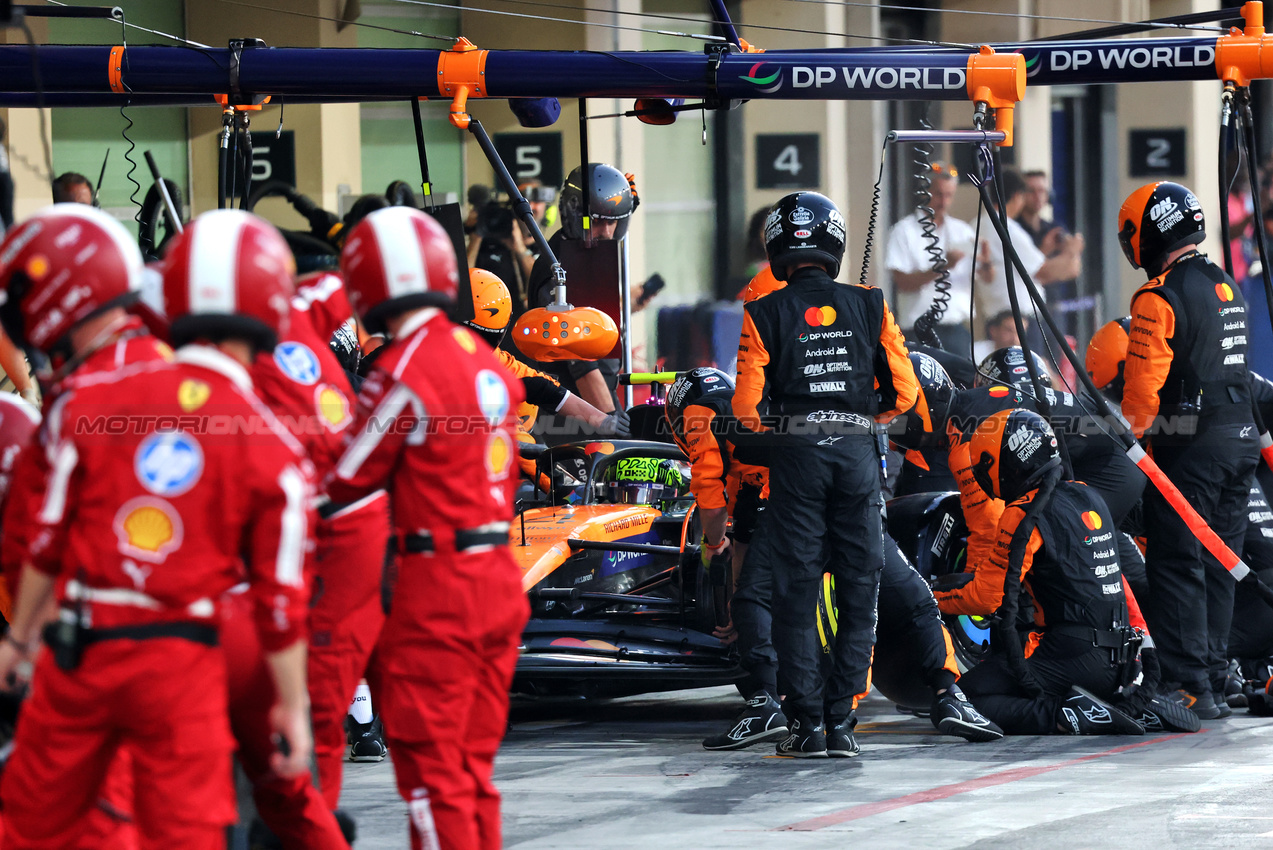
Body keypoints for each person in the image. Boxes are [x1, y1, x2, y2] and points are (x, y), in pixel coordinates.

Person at [0, 205, 314, 847]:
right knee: (186, 832)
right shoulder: (273, 443)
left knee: (28, 823)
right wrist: (294, 705)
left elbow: (45, 539)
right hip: (184, 659)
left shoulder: (88, 401)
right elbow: (282, 596)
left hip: (81, 648)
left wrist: (21, 641)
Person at [328, 206, 527, 850]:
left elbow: (345, 478)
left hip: (436, 587)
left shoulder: (401, 371)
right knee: (472, 772)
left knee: (430, 774)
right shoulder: (484, 358)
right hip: (498, 577)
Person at [734, 191, 917, 757]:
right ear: (833, 243)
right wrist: (861, 420)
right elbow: (905, 393)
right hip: (859, 456)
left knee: (795, 592)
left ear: (776, 248)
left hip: (796, 458)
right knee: (861, 588)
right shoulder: (870, 304)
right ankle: (842, 726)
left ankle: (806, 726)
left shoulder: (762, 312)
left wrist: (789, 432)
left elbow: (745, 412)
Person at [1119, 180, 1258, 719]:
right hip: (1240, 440)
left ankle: (1188, 685)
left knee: (1179, 561)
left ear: (1150, 232)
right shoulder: (1227, 285)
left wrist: (1127, 436)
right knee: (1220, 562)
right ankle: (1217, 681)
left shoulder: (1159, 296)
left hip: (1189, 450)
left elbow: (1142, 395)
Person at [955, 408, 1148, 736]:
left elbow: (989, 597)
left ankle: (1064, 714)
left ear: (1010, 461)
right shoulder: (1089, 494)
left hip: (1073, 654)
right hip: (1121, 659)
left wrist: (934, 595)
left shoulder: (1024, 513)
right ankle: (1115, 702)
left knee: (965, 698)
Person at [463, 269, 628, 454]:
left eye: (485, 338)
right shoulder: (433, 363)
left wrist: (601, 419)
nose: (473, 346)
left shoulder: (494, 360)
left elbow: (541, 387)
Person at [524, 163, 639, 413]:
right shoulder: (560, 268)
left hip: (597, 398)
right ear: (575, 215)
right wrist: (609, 421)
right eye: (598, 221)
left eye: (614, 222)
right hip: (574, 411)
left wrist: (625, 204)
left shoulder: (584, 253)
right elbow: (583, 366)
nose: (607, 232)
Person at [976, 169, 1083, 342]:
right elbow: (1045, 272)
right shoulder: (1005, 227)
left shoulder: (980, 223)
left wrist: (1044, 251)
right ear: (1018, 196)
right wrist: (1073, 249)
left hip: (1000, 318)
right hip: (1017, 320)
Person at [884, 162, 977, 354]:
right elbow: (902, 282)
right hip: (919, 330)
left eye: (949, 195)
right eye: (938, 194)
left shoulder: (963, 231)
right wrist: (943, 266)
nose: (943, 202)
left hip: (956, 328)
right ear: (924, 192)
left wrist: (987, 261)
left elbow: (984, 279)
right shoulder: (904, 231)